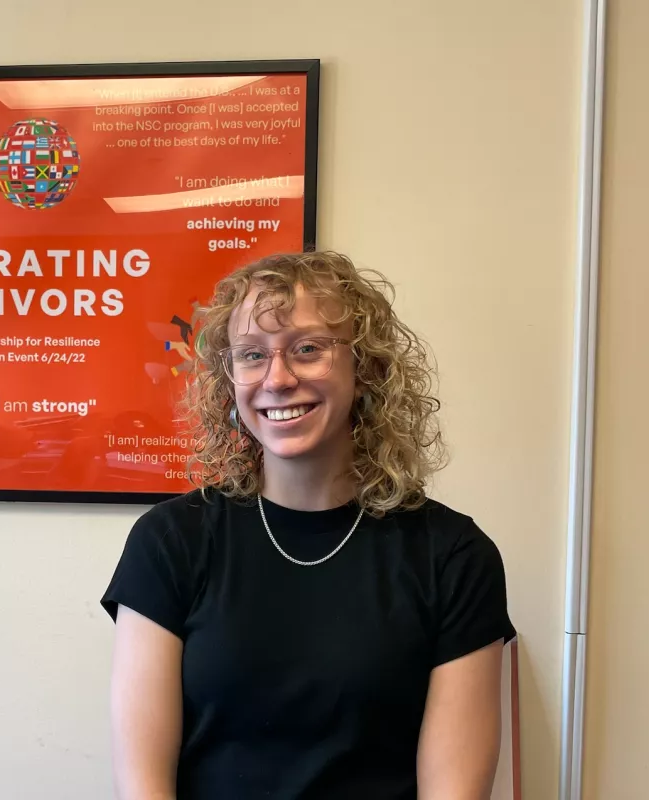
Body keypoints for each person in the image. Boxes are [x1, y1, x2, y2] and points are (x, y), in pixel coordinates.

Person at [101, 251, 517, 799]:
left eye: (308, 348)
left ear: (364, 369)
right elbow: (145, 787)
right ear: (230, 383)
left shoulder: (453, 556)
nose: (277, 378)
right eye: (252, 355)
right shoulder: (171, 542)